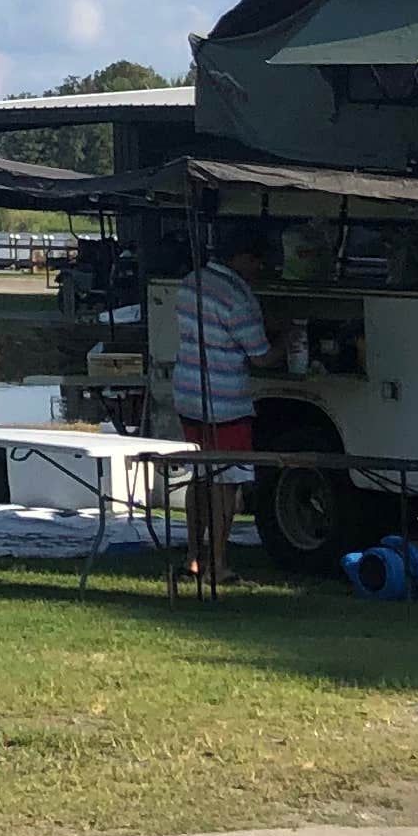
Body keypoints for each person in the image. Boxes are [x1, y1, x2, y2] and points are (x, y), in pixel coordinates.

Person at [167, 221, 278, 583]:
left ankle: (193, 557)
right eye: (257, 260)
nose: (260, 268)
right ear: (242, 257)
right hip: (225, 399)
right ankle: (219, 564)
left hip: (188, 391)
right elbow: (260, 356)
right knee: (226, 482)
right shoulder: (238, 297)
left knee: (200, 475)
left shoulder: (191, 283)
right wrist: (288, 337)